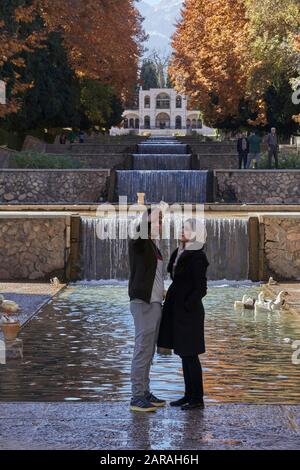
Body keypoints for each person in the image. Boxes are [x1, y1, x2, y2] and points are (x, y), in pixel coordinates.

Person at [158, 219, 209, 411]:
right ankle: (189, 395)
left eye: (186, 229)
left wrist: (187, 304)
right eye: (182, 228)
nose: (182, 231)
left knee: (191, 355)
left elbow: (201, 288)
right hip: (178, 310)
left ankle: (198, 399)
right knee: (184, 354)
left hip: (190, 313)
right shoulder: (179, 252)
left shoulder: (197, 256)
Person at [128, 207, 166, 412]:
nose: (161, 223)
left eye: (162, 220)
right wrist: (149, 216)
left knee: (148, 352)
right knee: (142, 349)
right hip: (143, 303)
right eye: (158, 220)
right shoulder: (140, 242)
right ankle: (136, 397)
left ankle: (145, 392)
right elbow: (137, 237)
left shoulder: (154, 246)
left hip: (154, 303)